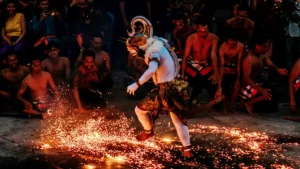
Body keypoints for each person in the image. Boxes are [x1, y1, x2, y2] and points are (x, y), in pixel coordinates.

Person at [126, 16, 192, 158]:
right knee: (177, 119)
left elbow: (151, 70)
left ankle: (148, 131)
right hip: (177, 84)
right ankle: (188, 150)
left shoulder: (151, 52)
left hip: (166, 89)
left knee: (139, 110)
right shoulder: (160, 41)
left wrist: (136, 84)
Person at [181, 16, 223, 109]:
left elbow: (213, 55)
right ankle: (192, 102)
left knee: (213, 80)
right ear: (197, 29)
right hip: (192, 63)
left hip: (206, 64)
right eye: (201, 31)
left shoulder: (214, 38)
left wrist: (216, 72)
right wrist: (182, 74)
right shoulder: (191, 38)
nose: (203, 34)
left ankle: (212, 101)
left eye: (205, 31)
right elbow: (185, 57)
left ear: (209, 30)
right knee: (195, 79)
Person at [240, 34, 288, 113]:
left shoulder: (262, 54)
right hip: (247, 86)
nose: (267, 49)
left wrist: (278, 69)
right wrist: (261, 90)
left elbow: (270, 64)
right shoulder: (249, 59)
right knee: (268, 92)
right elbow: (246, 78)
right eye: (265, 46)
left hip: (257, 83)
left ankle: (252, 103)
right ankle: (248, 103)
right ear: (258, 46)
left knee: (273, 93)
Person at [219, 28, 244, 114]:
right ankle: (225, 107)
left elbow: (239, 62)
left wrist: (238, 78)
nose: (233, 43)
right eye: (231, 41)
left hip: (234, 68)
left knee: (236, 88)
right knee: (225, 89)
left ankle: (231, 106)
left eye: (235, 41)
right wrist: (220, 82)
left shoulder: (240, 46)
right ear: (228, 40)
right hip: (224, 69)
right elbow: (221, 65)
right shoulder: (223, 47)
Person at [0, 0, 27, 64]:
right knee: (2, 53)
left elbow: (24, 32)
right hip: (8, 39)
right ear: (6, 8)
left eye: (13, 6)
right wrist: (8, 41)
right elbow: (2, 34)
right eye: (9, 7)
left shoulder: (20, 15)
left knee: (16, 51)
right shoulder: (4, 17)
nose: (11, 8)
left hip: (19, 39)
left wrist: (16, 42)